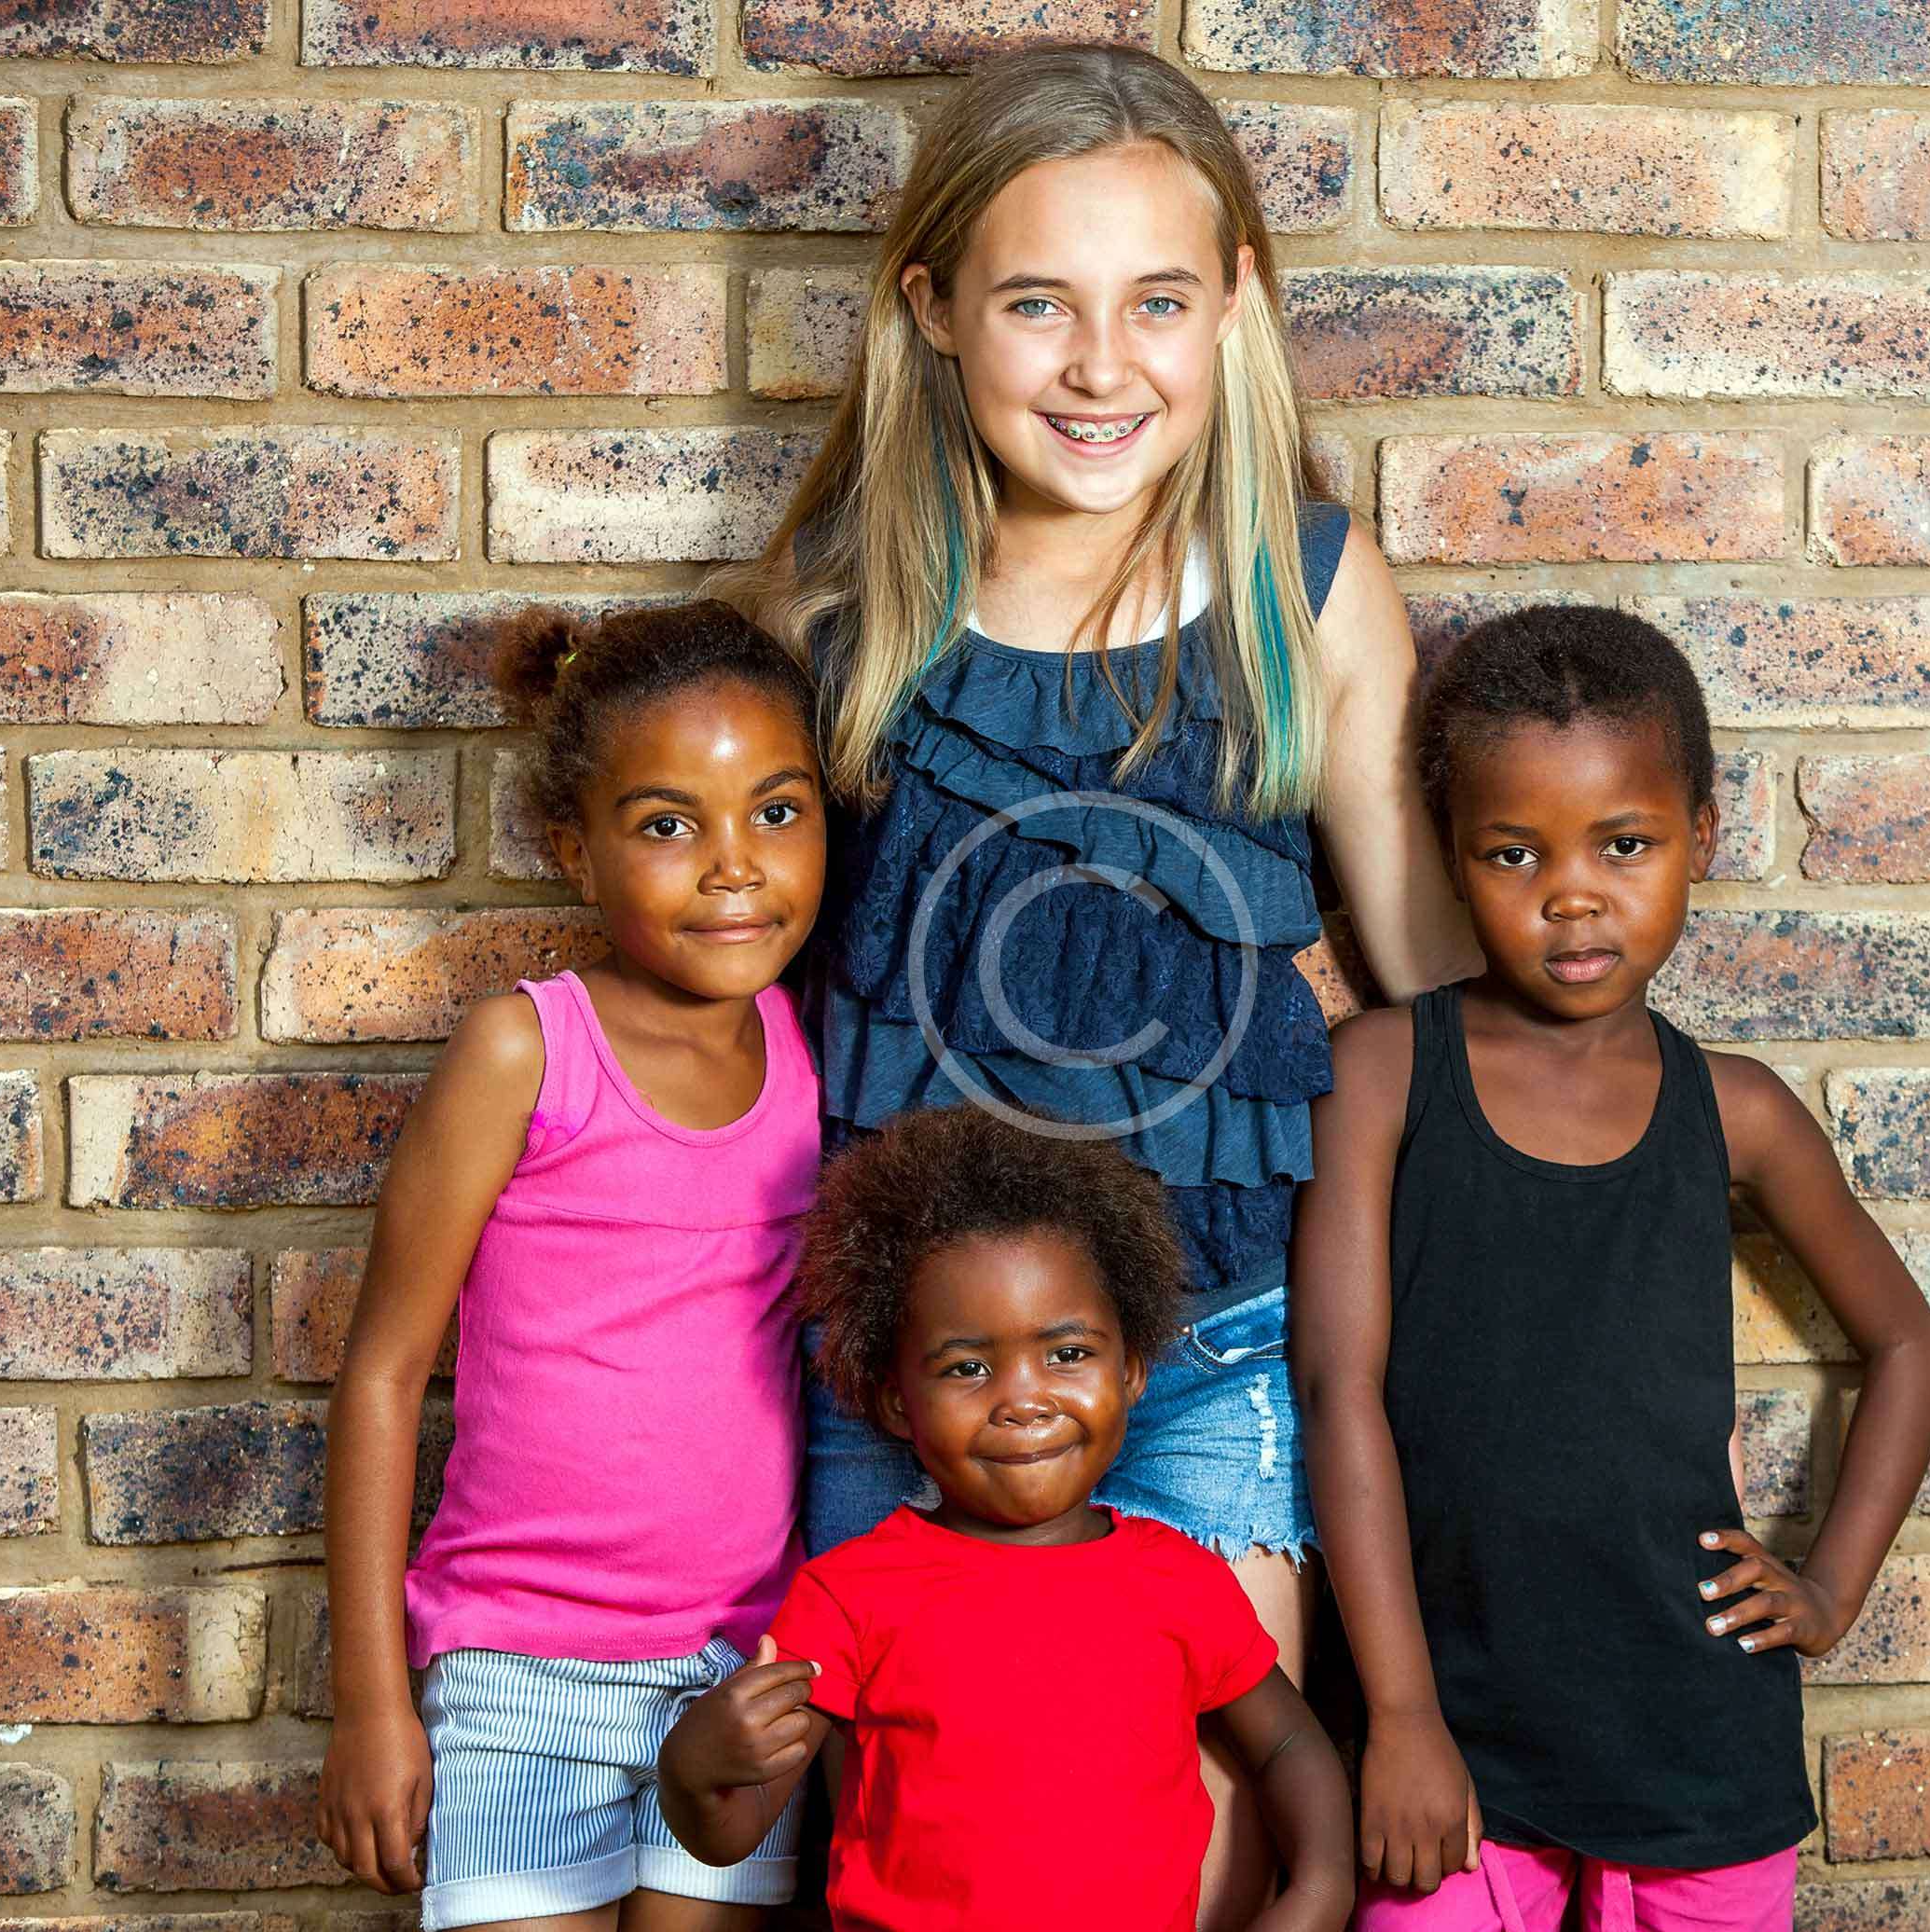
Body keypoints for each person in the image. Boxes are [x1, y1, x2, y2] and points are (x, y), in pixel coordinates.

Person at [713, 46, 1467, 1917]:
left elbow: (1438, 991)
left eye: (1159, 303)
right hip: (908, 1373)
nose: (1100, 366)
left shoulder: (1306, 587)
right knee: (934, 1857)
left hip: (1215, 1341)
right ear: (933, 310)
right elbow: (740, 1024)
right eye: (1039, 303)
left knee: (1178, 1861)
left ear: (1238, 307)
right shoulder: (837, 614)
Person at [1290, 606, 1930, 1931]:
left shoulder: (1740, 1109)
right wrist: (1402, 1713)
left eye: (1626, 844)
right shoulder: (1379, 1076)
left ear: (1701, 835)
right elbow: (1336, 1393)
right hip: (1453, 1730)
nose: (1573, 894)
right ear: (1451, 856)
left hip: (1696, 1730)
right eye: (1514, 852)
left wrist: (1830, 1586)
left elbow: (1909, 1346)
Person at [315, 600, 828, 1931]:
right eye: (667, 826)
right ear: (574, 850)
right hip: (521, 1671)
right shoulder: (525, 1051)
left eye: (777, 812)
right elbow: (382, 1374)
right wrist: (371, 1701)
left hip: (738, 1672)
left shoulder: (816, 1055)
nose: (734, 867)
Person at [657, 1106, 1355, 1932]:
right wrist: (693, 1769)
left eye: (1068, 1354)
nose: (1023, 1399)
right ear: (895, 1401)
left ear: (1132, 1371)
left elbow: (1287, 1744)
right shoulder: (848, 1596)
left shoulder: (1181, 1580)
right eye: (968, 1368)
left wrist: (1319, 1891)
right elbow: (730, 1833)